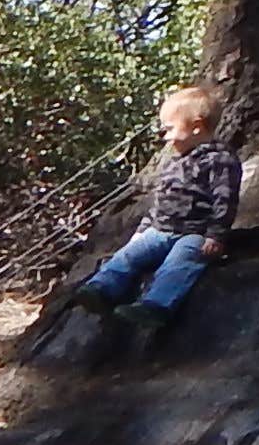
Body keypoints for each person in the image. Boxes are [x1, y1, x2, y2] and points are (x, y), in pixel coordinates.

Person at [69, 85, 239, 333]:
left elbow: (225, 198)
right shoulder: (174, 162)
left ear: (196, 126)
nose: (165, 136)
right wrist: (144, 229)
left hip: (196, 232)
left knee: (179, 263)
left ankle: (156, 306)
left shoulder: (220, 159)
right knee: (128, 255)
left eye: (170, 129)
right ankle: (101, 289)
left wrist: (216, 234)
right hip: (161, 229)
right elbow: (161, 201)